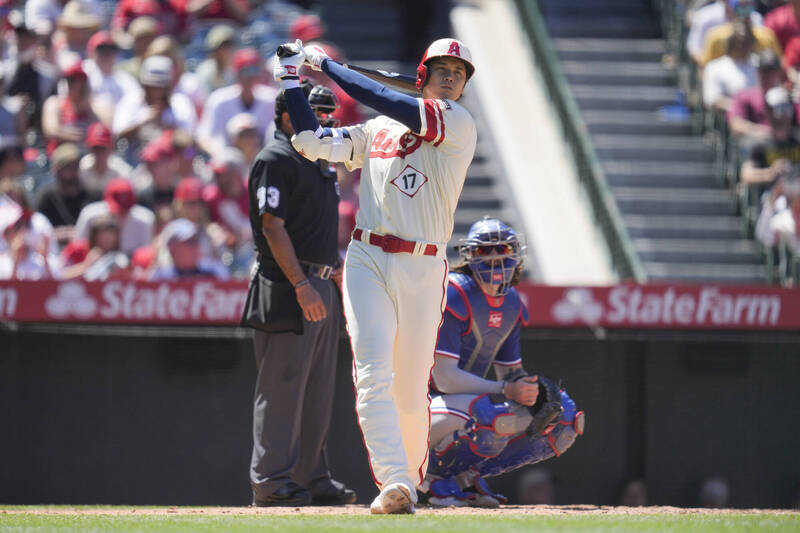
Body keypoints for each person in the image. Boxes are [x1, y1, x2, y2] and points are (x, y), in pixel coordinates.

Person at [275, 37, 477, 514]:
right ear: (423, 75)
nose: (450, 77)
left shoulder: (457, 122)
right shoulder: (378, 130)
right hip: (367, 256)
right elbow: (309, 143)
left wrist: (322, 64)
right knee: (372, 372)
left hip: (424, 263)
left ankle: (412, 477)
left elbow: (384, 96)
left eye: (459, 72)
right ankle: (396, 481)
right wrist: (291, 81)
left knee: (409, 384)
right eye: (441, 69)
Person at [419, 218, 583, 508]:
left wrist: (532, 392)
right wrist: (507, 390)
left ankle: (468, 477)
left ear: (515, 254)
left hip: (461, 405)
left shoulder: (512, 302)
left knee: (565, 417)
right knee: (491, 413)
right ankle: (434, 478)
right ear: (470, 256)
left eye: (502, 248)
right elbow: (444, 378)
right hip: (421, 408)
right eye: (485, 251)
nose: (495, 257)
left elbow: (511, 373)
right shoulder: (455, 292)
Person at [245, 82, 356, 507]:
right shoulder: (276, 157)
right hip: (289, 286)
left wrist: (333, 272)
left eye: (329, 113)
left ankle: (311, 477)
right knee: (282, 386)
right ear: (289, 116)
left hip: (321, 282)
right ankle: (271, 482)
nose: (325, 120)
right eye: (317, 113)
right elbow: (272, 225)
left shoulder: (318, 161)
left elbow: (314, 229)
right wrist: (302, 284)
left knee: (317, 389)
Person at [197, 48, 277, 158]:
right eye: (246, 71)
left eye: (255, 70)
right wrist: (223, 156)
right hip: (227, 162)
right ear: (237, 74)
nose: (250, 77)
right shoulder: (219, 100)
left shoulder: (271, 99)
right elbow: (204, 137)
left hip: (263, 160)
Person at [74, 177, 155, 256]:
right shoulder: (90, 215)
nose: (120, 215)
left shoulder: (145, 220)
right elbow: (78, 248)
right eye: (118, 210)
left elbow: (146, 256)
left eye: (125, 210)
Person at [34, 142, 95, 243]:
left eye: (76, 166)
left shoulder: (92, 194)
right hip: (56, 251)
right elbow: (37, 231)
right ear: (56, 170)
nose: (73, 171)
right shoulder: (46, 197)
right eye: (68, 167)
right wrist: (63, 234)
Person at [702, 22, 758, 111]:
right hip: (730, 118)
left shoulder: (759, 63)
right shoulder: (715, 67)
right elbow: (713, 100)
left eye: (747, 41)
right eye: (740, 41)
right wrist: (741, 107)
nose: (744, 45)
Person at [79, 122, 133, 195]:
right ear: (89, 149)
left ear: (111, 148)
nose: (100, 153)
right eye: (96, 148)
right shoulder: (83, 166)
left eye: (103, 148)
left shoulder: (122, 171)